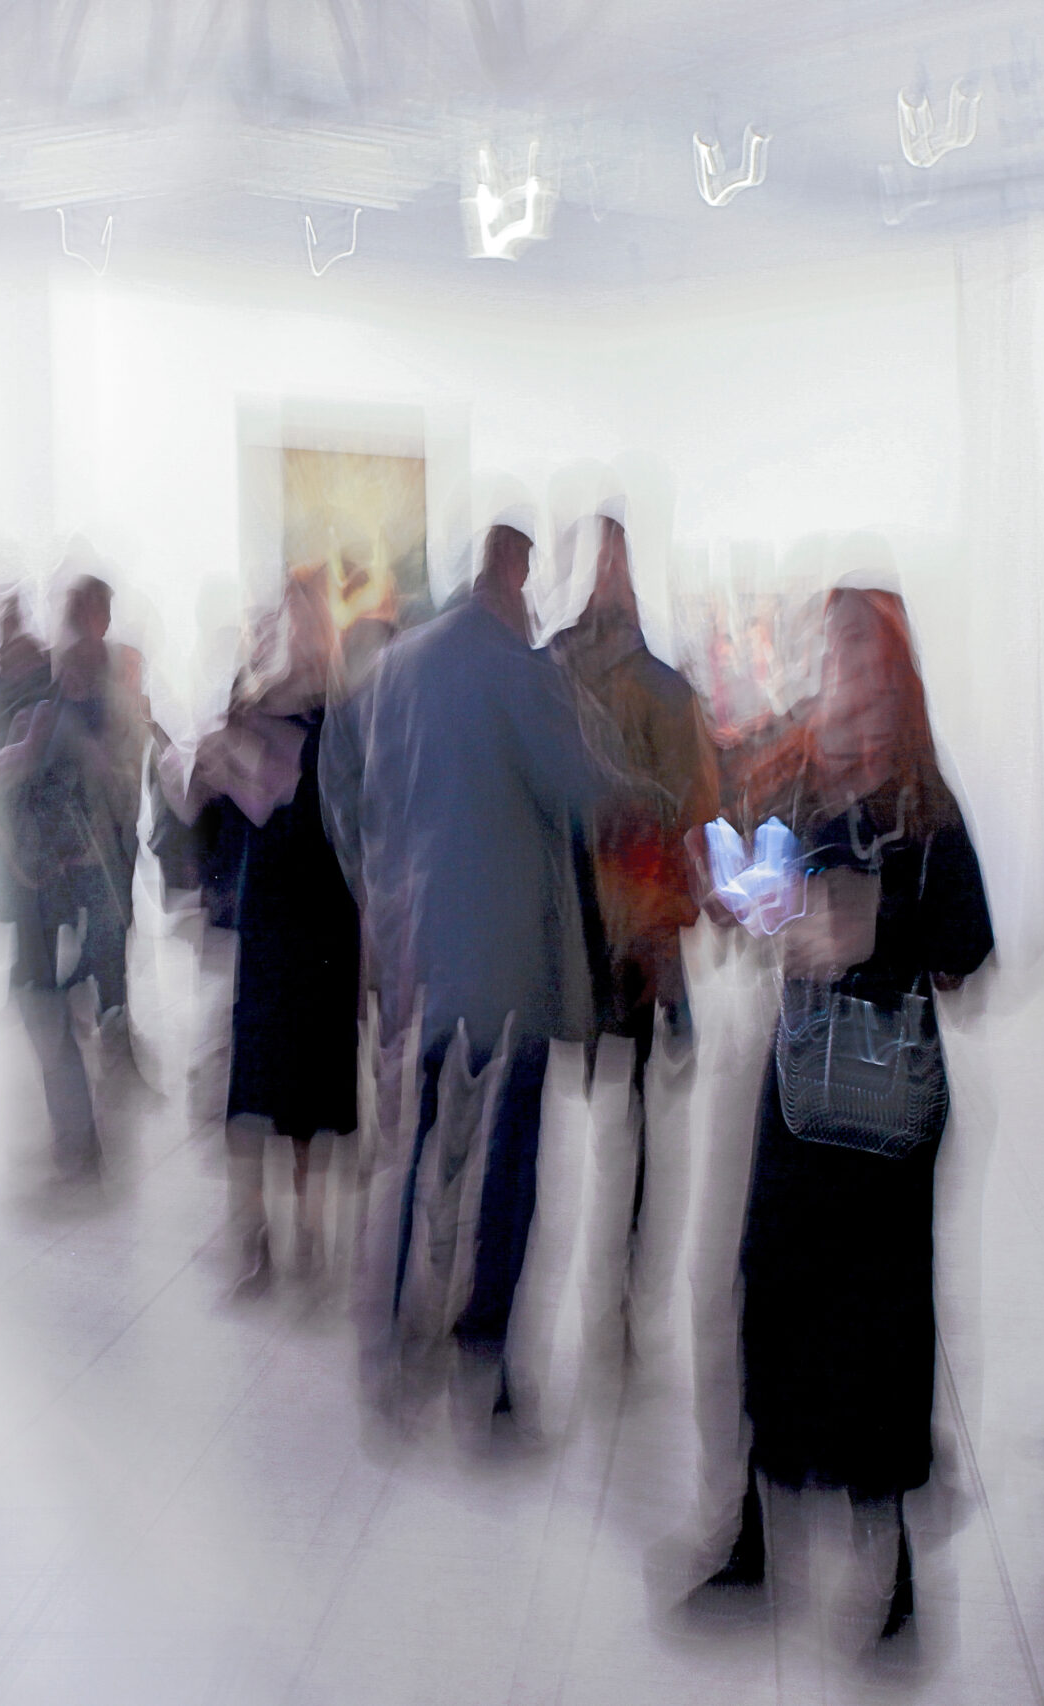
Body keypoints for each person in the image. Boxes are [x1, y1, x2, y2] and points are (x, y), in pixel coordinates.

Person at [706, 586, 992, 1642]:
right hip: (800, 1084)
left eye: (862, 657)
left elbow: (969, 954)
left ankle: (892, 1555)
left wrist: (876, 935)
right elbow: (747, 897)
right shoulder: (793, 781)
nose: (845, 677)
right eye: (832, 656)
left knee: (881, 1315)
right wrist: (760, 905)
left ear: (895, 672)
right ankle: (755, 1521)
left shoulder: (927, 804)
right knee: (770, 1288)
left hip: (889, 1098)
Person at [323, 517, 611, 1419]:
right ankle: (484, 1357)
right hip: (509, 961)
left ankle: (390, 1345)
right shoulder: (519, 672)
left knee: (415, 1149)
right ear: (513, 572)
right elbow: (582, 788)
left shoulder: (400, 666)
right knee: (508, 1158)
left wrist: (383, 893)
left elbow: (350, 792)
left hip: (420, 951)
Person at [551, 511, 719, 1348]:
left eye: (617, 553)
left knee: (633, 1113)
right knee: (590, 1108)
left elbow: (691, 802)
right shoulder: (552, 670)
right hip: (573, 920)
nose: (607, 571)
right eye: (598, 553)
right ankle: (597, 1287)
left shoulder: (657, 684)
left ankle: (619, 1284)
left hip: (632, 929)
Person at [180, 567, 362, 1288]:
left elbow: (362, 818)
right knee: (265, 1079)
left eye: (300, 616)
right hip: (282, 913)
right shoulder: (265, 704)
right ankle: (261, 1233)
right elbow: (209, 805)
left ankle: (302, 1234)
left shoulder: (341, 713)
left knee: (307, 1086)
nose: (290, 631)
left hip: (318, 912)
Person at [0, 571, 149, 1175]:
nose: (84, 622)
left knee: (76, 988)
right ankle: (78, 1133)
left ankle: (83, 1131)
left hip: (95, 861)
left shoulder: (114, 679)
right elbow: (15, 769)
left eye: (91, 612)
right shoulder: (48, 678)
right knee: (47, 998)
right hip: (51, 865)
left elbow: (123, 772)